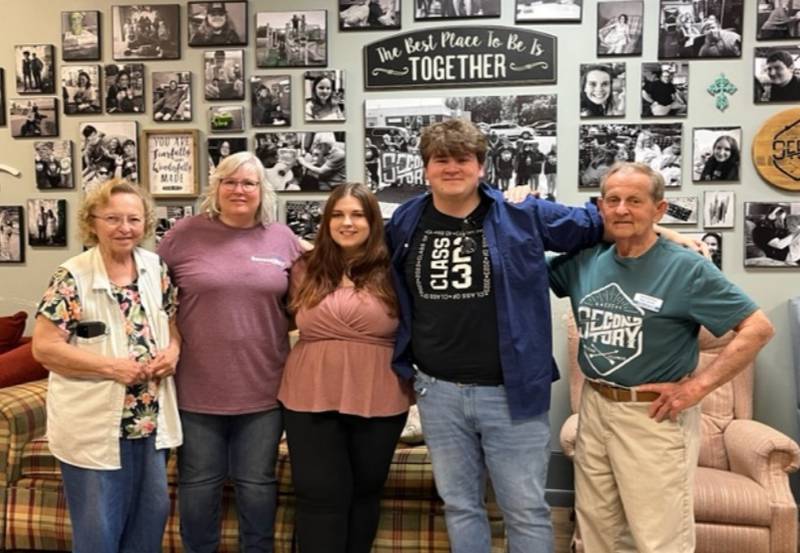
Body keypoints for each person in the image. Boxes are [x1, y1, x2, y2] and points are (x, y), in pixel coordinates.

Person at [384, 118, 607, 553]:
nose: (452, 168)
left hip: (512, 391)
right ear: (426, 168)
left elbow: (599, 223)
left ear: (481, 166)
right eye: (440, 159)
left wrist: (665, 231)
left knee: (524, 507)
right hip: (438, 391)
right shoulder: (406, 220)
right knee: (460, 505)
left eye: (462, 159)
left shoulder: (521, 214)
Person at [548, 162, 774, 553]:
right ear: (600, 207)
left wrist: (697, 387)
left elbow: (758, 328)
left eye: (635, 201)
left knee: (658, 539)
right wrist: (519, 203)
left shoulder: (686, 267)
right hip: (596, 407)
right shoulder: (585, 258)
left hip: (652, 417)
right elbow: (519, 267)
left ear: (659, 209)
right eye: (613, 200)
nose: (621, 209)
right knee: (597, 531)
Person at [157, 152, 302, 553]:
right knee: (199, 485)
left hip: (264, 390)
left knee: (257, 485)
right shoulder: (182, 235)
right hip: (196, 390)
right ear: (216, 188)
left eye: (249, 183)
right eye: (230, 182)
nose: (239, 190)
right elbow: (155, 300)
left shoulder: (282, 238)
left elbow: (302, 303)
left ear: (262, 190)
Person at [31, 179, 182, 553]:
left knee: (150, 522)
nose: (124, 228)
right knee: (100, 531)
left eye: (133, 218)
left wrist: (174, 352)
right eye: (112, 218)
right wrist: (112, 368)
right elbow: (44, 348)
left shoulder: (155, 268)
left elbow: (172, 328)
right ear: (92, 222)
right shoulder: (73, 276)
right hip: (95, 426)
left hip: (148, 422)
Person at [278, 182, 412, 553]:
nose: (347, 222)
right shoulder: (304, 267)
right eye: (337, 214)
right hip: (309, 393)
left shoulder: (396, 268)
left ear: (373, 221)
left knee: (365, 493)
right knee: (319, 495)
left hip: (380, 393)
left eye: (357, 214)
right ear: (326, 221)